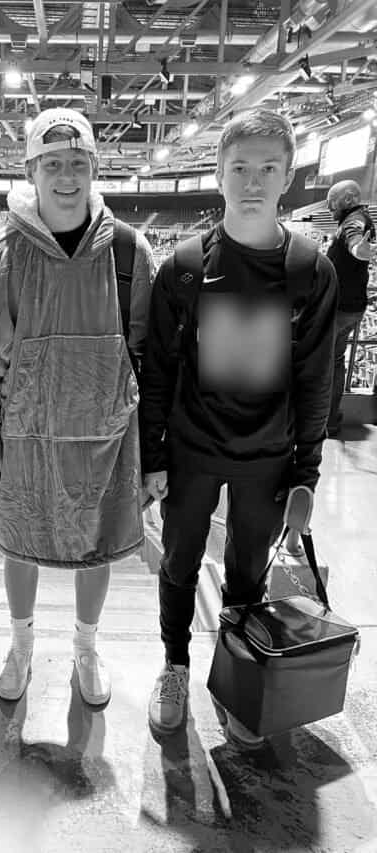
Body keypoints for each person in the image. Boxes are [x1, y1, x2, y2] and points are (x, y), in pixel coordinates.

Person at [140, 108, 337, 747]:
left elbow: (316, 379)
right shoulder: (185, 267)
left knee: (247, 574)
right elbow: (158, 371)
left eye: (268, 169)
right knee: (178, 562)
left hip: (268, 456)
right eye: (240, 168)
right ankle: (174, 664)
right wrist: (152, 457)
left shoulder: (310, 271)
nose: (253, 182)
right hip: (193, 450)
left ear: (289, 176)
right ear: (220, 173)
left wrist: (306, 472)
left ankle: (239, 673)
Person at [0, 108, 155, 706]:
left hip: (106, 439)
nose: (66, 177)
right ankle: (20, 643)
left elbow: (149, 354)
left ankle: (86, 646)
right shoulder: (2, 257)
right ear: (31, 171)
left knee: (97, 543)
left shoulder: (129, 253)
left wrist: (152, 453)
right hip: (26, 438)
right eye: (52, 164)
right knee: (18, 544)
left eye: (76, 163)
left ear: (93, 168)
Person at [325, 179, 376, 435]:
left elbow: (354, 240)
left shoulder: (354, 221)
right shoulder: (358, 217)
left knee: (324, 363)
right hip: (349, 306)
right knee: (335, 361)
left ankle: (324, 421)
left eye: (332, 202)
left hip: (340, 307)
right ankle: (330, 419)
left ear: (347, 199)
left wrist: (359, 249)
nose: (329, 208)